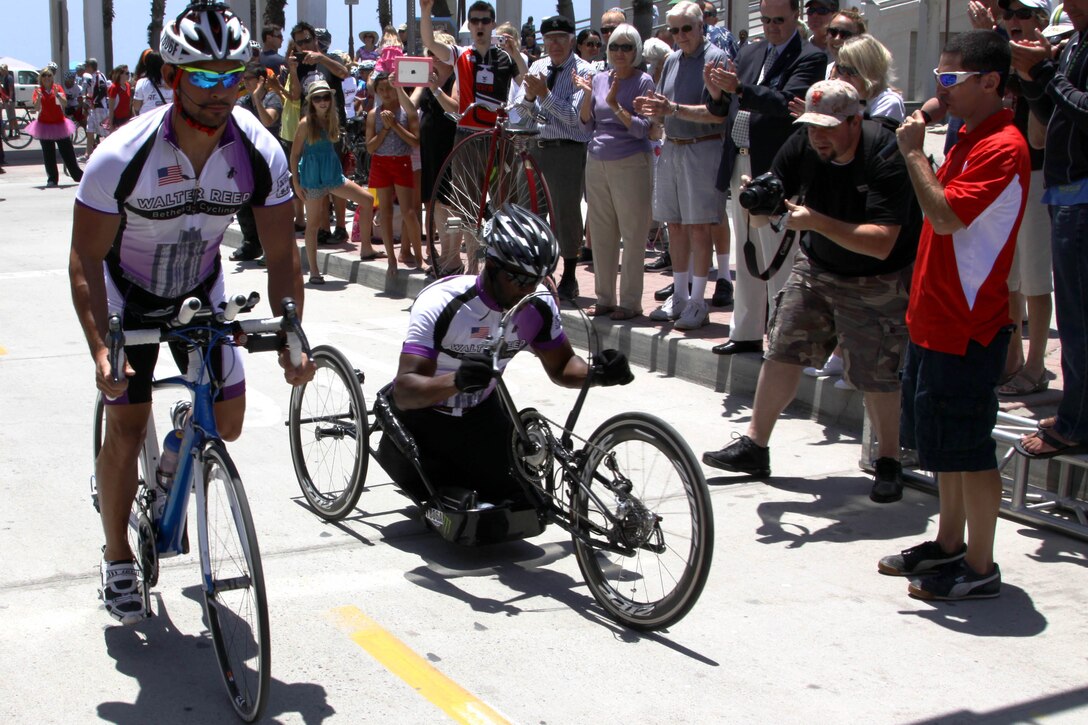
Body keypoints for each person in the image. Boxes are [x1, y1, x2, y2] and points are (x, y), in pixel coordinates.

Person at [70, 0, 314, 624]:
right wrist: (101, 348)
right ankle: (118, 556)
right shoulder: (121, 156)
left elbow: (282, 254)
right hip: (126, 294)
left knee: (227, 424)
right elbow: (85, 258)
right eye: (204, 77)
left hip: (199, 289)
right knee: (127, 425)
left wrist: (292, 330)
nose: (221, 91)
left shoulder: (257, 150)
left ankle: (180, 446)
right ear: (172, 76)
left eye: (235, 76)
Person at [702, 79, 919, 503]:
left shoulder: (884, 152)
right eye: (811, 125)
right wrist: (757, 202)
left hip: (876, 276)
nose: (817, 136)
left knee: (875, 372)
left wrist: (816, 222)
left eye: (827, 127)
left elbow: (882, 242)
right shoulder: (803, 144)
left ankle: (889, 460)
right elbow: (770, 202)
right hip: (818, 265)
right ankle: (755, 446)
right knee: (783, 347)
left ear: (854, 121)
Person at [884, 30, 1029, 599]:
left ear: (989, 82)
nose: (939, 90)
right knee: (944, 446)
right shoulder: (970, 136)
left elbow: (944, 217)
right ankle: (948, 544)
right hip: (935, 317)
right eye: (938, 78)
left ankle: (980, 565)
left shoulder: (1003, 146)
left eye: (950, 79)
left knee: (970, 448)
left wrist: (915, 153)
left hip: (967, 324)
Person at [379, 204, 633, 506]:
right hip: (425, 418)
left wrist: (599, 373)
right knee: (455, 510)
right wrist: (456, 381)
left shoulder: (537, 306)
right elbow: (405, 391)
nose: (528, 289)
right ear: (492, 265)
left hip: (481, 415)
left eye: (537, 280)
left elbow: (563, 366)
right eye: (520, 279)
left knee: (528, 508)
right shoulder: (442, 302)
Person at [704, 0, 827, 354]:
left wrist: (740, 89)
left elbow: (786, 102)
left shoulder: (810, 57)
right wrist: (717, 93)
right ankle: (745, 331)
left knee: (777, 255)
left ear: (796, 16)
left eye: (779, 20)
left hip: (775, 168)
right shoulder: (749, 52)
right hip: (740, 162)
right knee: (746, 250)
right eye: (767, 19)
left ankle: (782, 337)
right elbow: (723, 107)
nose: (772, 26)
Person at [1011, 0, 1088, 457]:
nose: (1070, 6)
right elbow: (1051, 112)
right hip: (1065, 192)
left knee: (1078, 320)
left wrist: (1045, 73)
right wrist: (1031, 76)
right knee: (1075, 317)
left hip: (1081, 196)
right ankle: (1075, 412)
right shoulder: (1076, 42)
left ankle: (1076, 424)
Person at [633, 2, 731, 330]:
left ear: (701, 26)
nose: (680, 35)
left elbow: (718, 114)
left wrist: (672, 109)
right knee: (674, 225)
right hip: (672, 148)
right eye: (674, 30)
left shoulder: (717, 59)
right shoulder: (672, 60)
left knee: (700, 227)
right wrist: (652, 109)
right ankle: (679, 295)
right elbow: (665, 109)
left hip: (703, 148)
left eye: (686, 28)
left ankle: (698, 301)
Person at [574, 24, 656, 320]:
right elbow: (585, 124)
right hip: (597, 160)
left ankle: (631, 302)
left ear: (636, 51)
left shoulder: (644, 81)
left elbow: (643, 129)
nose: (620, 52)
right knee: (601, 233)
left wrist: (615, 105)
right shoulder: (598, 78)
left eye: (627, 47)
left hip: (631, 161)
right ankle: (605, 298)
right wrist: (587, 96)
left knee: (633, 234)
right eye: (615, 47)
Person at [996, 0, 1054, 397]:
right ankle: (1011, 357)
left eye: (1023, 13)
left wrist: (1032, 72)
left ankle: (1036, 365)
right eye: (1008, 14)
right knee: (1008, 276)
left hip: (1037, 173)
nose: (1014, 21)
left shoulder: (1052, 62)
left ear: (1042, 20)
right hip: (1005, 175)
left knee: (1034, 275)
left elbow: (1040, 135)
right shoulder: (1001, 60)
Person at [517, 15, 595, 302]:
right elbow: (521, 110)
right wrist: (529, 98)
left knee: (565, 213)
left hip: (566, 149)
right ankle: (537, 273)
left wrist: (545, 94)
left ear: (572, 40)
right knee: (529, 212)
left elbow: (575, 118)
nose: (555, 44)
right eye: (550, 39)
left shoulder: (584, 71)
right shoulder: (538, 66)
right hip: (535, 146)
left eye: (561, 38)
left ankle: (569, 275)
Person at [291, 79, 378, 284]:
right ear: (311, 102)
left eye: (326, 97)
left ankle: (366, 248)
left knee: (367, 200)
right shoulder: (305, 123)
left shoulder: (332, 119)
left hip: (332, 174)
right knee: (313, 224)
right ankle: (314, 271)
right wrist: (296, 182)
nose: (322, 101)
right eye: (317, 98)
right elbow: (294, 154)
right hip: (312, 177)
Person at [419, 0, 527, 131]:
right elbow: (430, 43)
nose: (480, 26)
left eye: (485, 21)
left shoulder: (506, 56)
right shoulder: (460, 53)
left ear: (493, 24)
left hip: (496, 132)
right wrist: (425, 12)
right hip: (466, 131)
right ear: (469, 25)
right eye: (475, 21)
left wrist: (516, 54)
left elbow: (526, 83)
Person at [411, 33, 460, 273]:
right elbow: (410, 106)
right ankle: (445, 255)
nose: (433, 57)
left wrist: (436, 90)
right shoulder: (426, 77)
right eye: (430, 53)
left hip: (450, 143)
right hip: (430, 147)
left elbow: (455, 108)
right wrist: (398, 86)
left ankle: (453, 258)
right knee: (436, 203)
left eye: (437, 52)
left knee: (452, 203)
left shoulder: (457, 76)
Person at [366, 72, 422, 275]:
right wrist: (384, 129)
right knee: (386, 212)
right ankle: (391, 259)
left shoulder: (407, 111)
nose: (385, 93)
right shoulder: (374, 114)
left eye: (389, 88)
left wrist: (395, 125)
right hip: (381, 163)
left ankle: (419, 257)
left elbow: (415, 141)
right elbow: (370, 147)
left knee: (409, 212)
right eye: (381, 90)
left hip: (402, 162)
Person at [230, 64, 286, 263]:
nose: (245, 82)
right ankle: (251, 243)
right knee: (245, 203)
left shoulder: (272, 98)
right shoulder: (243, 101)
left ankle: (271, 248)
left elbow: (268, 121)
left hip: (270, 159)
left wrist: (256, 97)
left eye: (249, 78)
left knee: (268, 205)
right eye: (243, 79)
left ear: (261, 80)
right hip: (247, 157)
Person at [27, 66, 83, 187]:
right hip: (44, 125)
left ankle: (78, 176)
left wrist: (57, 95)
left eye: (49, 75)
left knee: (67, 152)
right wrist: (39, 98)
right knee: (48, 154)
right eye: (44, 75)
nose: (47, 78)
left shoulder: (57, 88)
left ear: (52, 77)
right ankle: (52, 179)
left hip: (59, 124)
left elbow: (64, 103)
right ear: (40, 78)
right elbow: (36, 108)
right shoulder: (38, 91)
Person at [82, 58, 110, 158]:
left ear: (90, 67)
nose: (85, 68)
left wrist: (95, 101)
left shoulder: (99, 76)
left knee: (105, 131)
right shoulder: (92, 77)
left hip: (100, 108)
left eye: (86, 66)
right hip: (93, 109)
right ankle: (88, 154)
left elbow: (103, 89)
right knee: (89, 129)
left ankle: (107, 153)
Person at [105, 65, 133, 134]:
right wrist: (111, 125)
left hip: (127, 119)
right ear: (119, 74)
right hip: (117, 120)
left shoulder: (128, 85)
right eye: (126, 73)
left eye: (129, 73)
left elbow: (130, 104)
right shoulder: (114, 87)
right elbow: (111, 109)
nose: (128, 75)